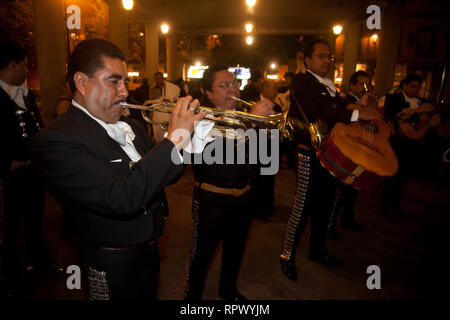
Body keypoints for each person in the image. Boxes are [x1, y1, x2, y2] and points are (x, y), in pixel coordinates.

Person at [28, 38, 204, 300]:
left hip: (150, 249)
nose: (124, 91)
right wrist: (174, 138)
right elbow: (122, 198)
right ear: (81, 82)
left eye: (124, 81)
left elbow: (168, 175)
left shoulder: (130, 125)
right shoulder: (55, 140)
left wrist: (191, 140)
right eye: (114, 81)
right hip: (110, 261)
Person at [279, 39, 381, 281]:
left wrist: (357, 104)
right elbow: (322, 109)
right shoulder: (302, 81)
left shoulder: (330, 85)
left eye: (329, 57)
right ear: (308, 60)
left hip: (331, 153)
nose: (327, 61)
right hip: (308, 153)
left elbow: (337, 103)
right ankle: (286, 255)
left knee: (325, 206)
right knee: (302, 208)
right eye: (321, 56)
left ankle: (318, 250)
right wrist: (356, 112)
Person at [184, 65, 275, 300]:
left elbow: (264, 160)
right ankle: (191, 297)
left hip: (243, 197)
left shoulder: (245, 116)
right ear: (208, 93)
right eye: (223, 86)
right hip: (211, 199)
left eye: (234, 84)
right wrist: (253, 125)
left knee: (235, 249)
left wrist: (266, 133)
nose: (232, 89)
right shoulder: (201, 120)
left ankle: (228, 289)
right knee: (202, 254)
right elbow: (217, 161)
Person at [0, 41, 57, 297]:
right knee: (8, 229)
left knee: (35, 220)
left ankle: (41, 264)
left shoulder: (25, 93)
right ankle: (7, 277)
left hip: (33, 172)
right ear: (12, 65)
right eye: (24, 64)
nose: (27, 70)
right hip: (8, 177)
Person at [378, 73, 431, 217]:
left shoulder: (422, 102)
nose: (415, 90)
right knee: (392, 174)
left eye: (418, 88)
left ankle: (395, 204)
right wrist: (416, 116)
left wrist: (421, 118)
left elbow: (432, 117)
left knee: (404, 176)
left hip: (412, 143)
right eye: (412, 86)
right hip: (396, 142)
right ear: (404, 85)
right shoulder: (394, 99)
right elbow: (393, 114)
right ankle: (383, 203)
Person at [327, 71, 370, 240]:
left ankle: (347, 218)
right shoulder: (346, 100)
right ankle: (330, 223)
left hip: (358, 150)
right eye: (361, 84)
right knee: (340, 191)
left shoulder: (365, 101)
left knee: (352, 189)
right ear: (352, 85)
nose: (364, 88)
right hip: (345, 150)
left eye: (367, 84)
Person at [149, 72, 181, 142]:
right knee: (158, 131)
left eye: (160, 78)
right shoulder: (153, 89)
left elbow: (175, 98)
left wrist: (169, 100)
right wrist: (160, 100)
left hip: (167, 113)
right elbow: (151, 101)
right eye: (156, 79)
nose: (158, 80)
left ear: (163, 78)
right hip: (157, 113)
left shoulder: (169, 87)